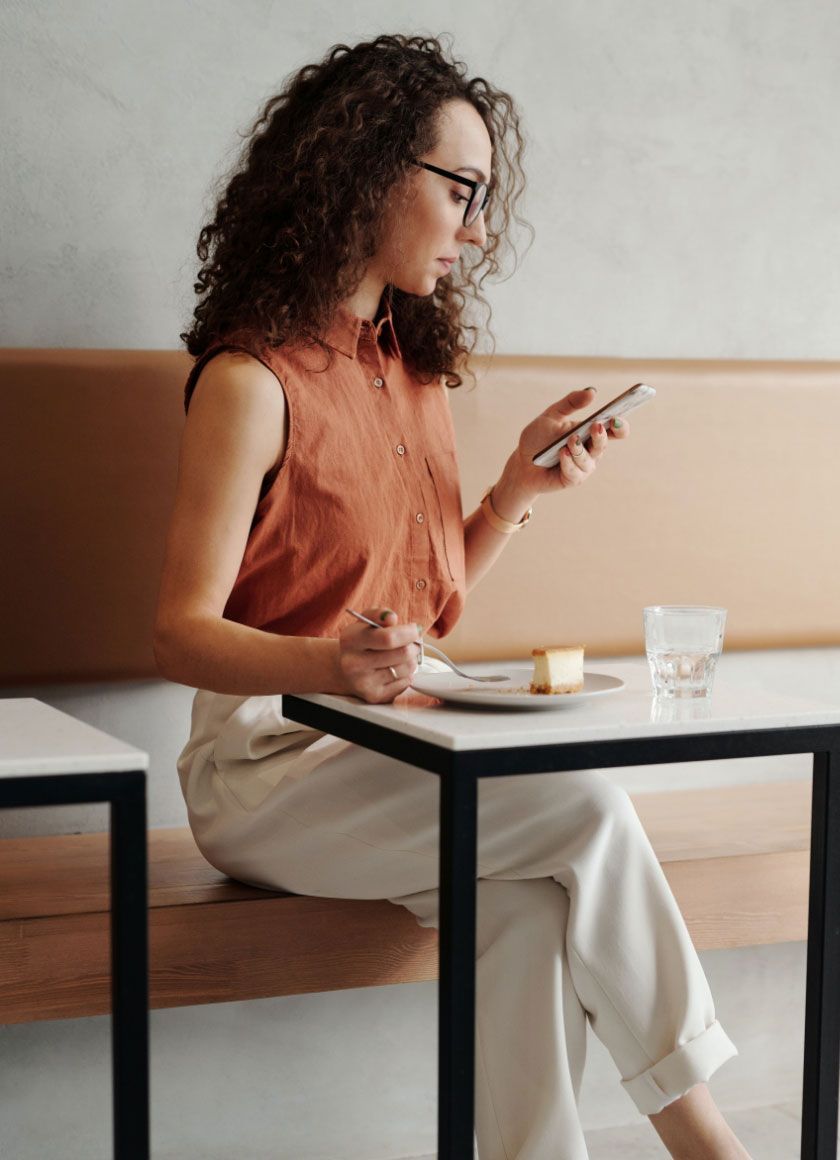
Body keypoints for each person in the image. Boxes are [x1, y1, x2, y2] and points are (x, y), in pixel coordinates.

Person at [155, 33, 751, 1160]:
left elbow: (418, 619)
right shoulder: (249, 381)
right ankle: (704, 1132)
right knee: (580, 803)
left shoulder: (413, 373)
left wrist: (514, 491)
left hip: (408, 738)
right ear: (369, 170)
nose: (477, 229)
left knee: (520, 910)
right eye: (462, 190)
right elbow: (175, 630)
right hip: (270, 769)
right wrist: (325, 666)